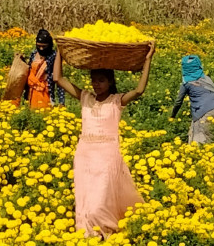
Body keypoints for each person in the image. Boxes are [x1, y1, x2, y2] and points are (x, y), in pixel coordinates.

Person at [53, 44, 155, 239]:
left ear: (110, 82)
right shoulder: (84, 97)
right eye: (94, 80)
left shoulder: (117, 101)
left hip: (107, 155)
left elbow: (140, 90)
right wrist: (60, 51)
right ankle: (90, 234)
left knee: (101, 199)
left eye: (101, 80)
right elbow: (58, 78)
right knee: (87, 197)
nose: (96, 84)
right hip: (85, 155)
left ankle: (105, 230)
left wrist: (148, 59)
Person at [170, 55, 214, 144]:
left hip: (204, 111)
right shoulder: (206, 78)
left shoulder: (186, 83)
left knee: (200, 141)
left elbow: (178, 102)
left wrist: (172, 116)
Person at [23, 29, 65, 108]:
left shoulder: (54, 56)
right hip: (31, 94)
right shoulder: (34, 54)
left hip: (45, 93)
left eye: (44, 46)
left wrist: (61, 101)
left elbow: (59, 79)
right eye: (39, 46)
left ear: (49, 45)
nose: (41, 48)